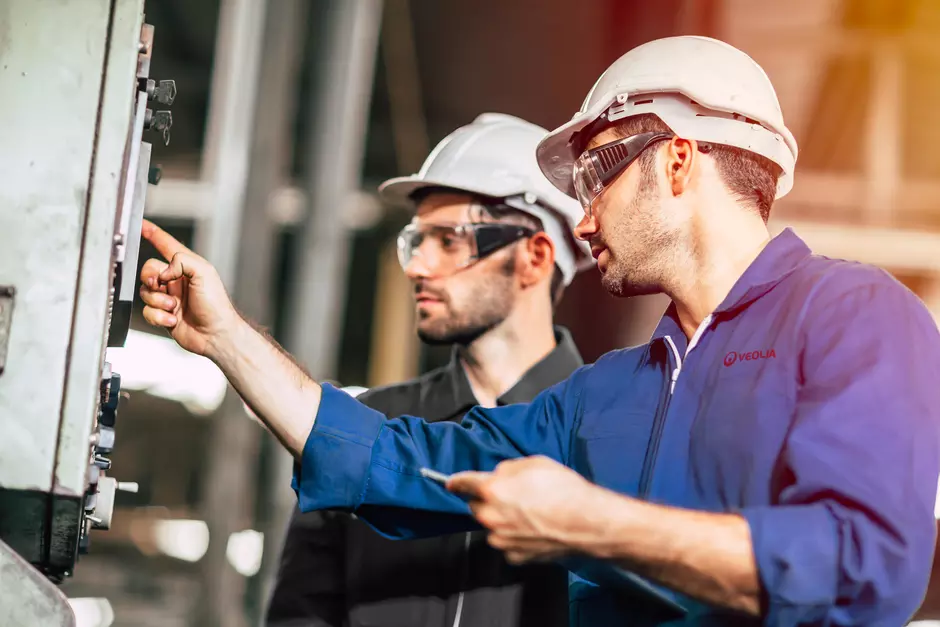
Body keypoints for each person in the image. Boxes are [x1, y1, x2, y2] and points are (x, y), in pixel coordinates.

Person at [139, 36, 940, 626]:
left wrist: (593, 522)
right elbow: (396, 460)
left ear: (678, 161)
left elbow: (864, 566)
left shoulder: (854, 315)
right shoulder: (604, 393)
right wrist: (226, 336)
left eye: (596, 176)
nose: (583, 219)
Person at [264, 113, 591, 627]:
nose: (417, 266)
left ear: (534, 256)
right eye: (416, 242)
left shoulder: (602, 432)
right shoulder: (369, 424)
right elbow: (300, 615)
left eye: (450, 240)